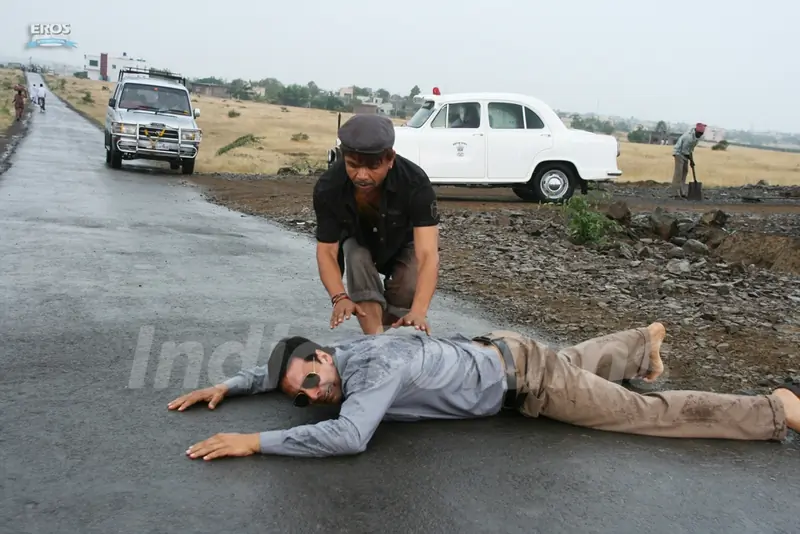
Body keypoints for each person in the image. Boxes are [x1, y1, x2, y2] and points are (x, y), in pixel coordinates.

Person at [168, 322, 800, 461]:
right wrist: (229, 384)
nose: (311, 396)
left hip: (528, 383)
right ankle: (640, 344)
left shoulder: (371, 368)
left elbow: (352, 436)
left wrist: (258, 439)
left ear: (323, 356)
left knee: (643, 415)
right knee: (572, 363)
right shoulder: (348, 354)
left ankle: (773, 410)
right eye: (300, 397)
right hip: (503, 353)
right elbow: (281, 373)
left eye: (310, 382)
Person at [312, 114, 440, 336]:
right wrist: (339, 297)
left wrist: (419, 311)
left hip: (404, 242)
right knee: (355, 255)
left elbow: (428, 254)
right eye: (353, 166)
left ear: (390, 159)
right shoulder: (328, 188)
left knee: (408, 284)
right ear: (344, 158)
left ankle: (388, 337)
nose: (362, 176)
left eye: (373, 167)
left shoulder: (415, 183)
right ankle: (375, 342)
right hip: (359, 241)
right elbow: (327, 251)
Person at [670, 122, 705, 198]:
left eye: (701, 134)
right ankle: (675, 193)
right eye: (699, 133)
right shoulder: (688, 137)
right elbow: (684, 151)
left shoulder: (697, 137)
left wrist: (692, 161)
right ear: (696, 131)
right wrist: (691, 161)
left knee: (684, 172)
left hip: (685, 154)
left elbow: (690, 150)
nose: (700, 135)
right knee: (678, 173)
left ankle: (682, 192)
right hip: (679, 153)